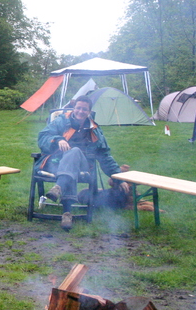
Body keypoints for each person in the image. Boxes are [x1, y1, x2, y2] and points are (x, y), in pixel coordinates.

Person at [35, 95, 130, 231]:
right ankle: (67, 214)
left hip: (84, 165)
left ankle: (58, 187)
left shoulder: (94, 129)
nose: (80, 111)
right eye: (78, 108)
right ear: (73, 108)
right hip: (57, 163)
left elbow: (105, 155)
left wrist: (119, 177)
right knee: (70, 166)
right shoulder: (61, 121)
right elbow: (43, 137)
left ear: (89, 112)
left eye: (84, 109)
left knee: (74, 152)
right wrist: (57, 140)